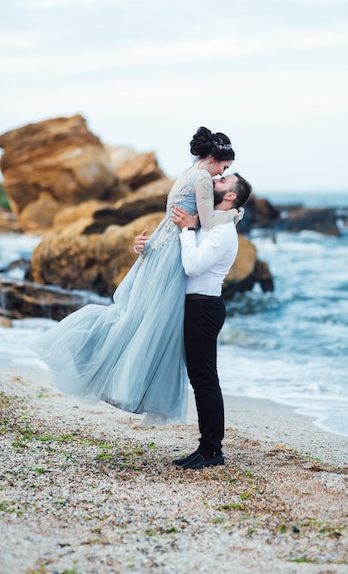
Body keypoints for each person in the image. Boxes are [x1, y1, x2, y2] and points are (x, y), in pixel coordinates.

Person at [31, 127, 241, 424]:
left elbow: (174, 218)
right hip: (171, 256)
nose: (223, 172)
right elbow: (205, 223)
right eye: (225, 166)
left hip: (159, 247)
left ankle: (112, 375)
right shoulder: (204, 178)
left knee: (136, 317)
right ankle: (123, 383)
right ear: (214, 158)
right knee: (152, 324)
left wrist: (149, 244)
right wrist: (233, 214)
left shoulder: (184, 174)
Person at [134, 173, 252, 469]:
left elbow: (193, 264)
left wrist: (187, 229)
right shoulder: (209, 224)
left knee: (204, 380)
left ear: (231, 196)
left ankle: (212, 450)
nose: (215, 181)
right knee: (200, 380)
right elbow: (175, 258)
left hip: (204, 308)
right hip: (191, 306)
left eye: (223, 180)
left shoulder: (223, 232)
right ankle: (207, 447)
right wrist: (143, 248)